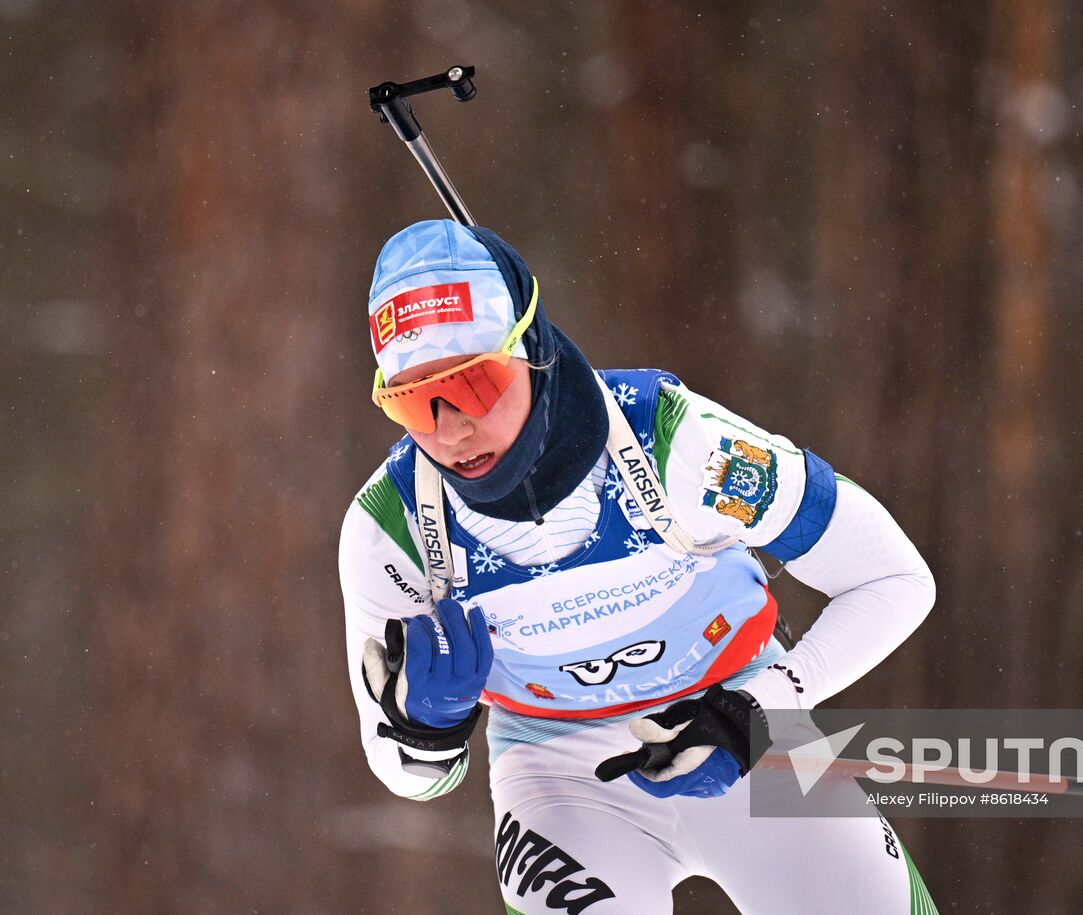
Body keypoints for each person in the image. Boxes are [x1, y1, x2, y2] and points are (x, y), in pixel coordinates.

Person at [340, 219, 939, 914]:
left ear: (530, 350)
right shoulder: (393, 526)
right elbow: (410, 777)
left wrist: (757, 708)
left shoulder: (674, 442)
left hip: (744, 734)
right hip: (559, 779)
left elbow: (895, 579)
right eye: (412, 400)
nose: (449, 430)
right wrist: (425, 726)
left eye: (474, 385)